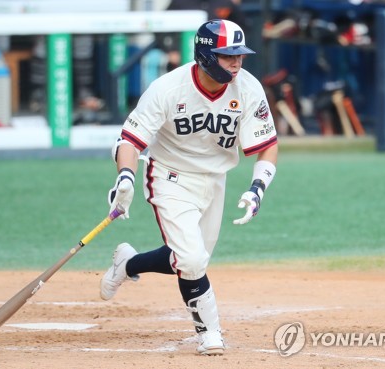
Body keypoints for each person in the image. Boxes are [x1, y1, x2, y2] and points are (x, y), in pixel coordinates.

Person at [101, 19, 278, 356]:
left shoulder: (249, 88)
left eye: (240, 55)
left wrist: (258, 187)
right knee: (193, 260)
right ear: (207, 55)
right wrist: (126, 177)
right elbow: (130, 140)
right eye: (228, 56)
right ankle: (209, 333)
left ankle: (128, 264)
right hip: (170, 177)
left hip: (216, 181)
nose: (237, 63)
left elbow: (267, 143)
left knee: (188, 258)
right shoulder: (168, 88)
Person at [157, 0, 250, 71]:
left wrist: (238, 50)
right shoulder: (179, 2)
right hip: (185, 55)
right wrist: (170, 51)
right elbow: (159, 26)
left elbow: (242, 25)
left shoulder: (225, 2)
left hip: (219, 56)